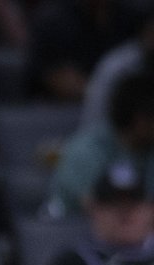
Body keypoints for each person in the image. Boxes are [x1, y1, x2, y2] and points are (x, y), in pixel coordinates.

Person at [48, 69, 154, 218]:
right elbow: (99, 208)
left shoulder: (148, 150)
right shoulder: (86, 150)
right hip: (75, 228)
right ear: (141, 120)